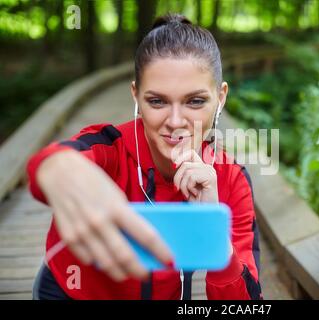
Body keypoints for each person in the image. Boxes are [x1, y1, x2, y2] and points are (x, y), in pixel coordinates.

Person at [27, 13, 263, 300]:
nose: (175, 121)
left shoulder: (231, 179)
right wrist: (58, 169)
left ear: (221, 97)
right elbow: (55, 161)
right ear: (136, 96)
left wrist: (213, 229)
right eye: (157, 101)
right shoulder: (109, 148)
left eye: (195, 101)